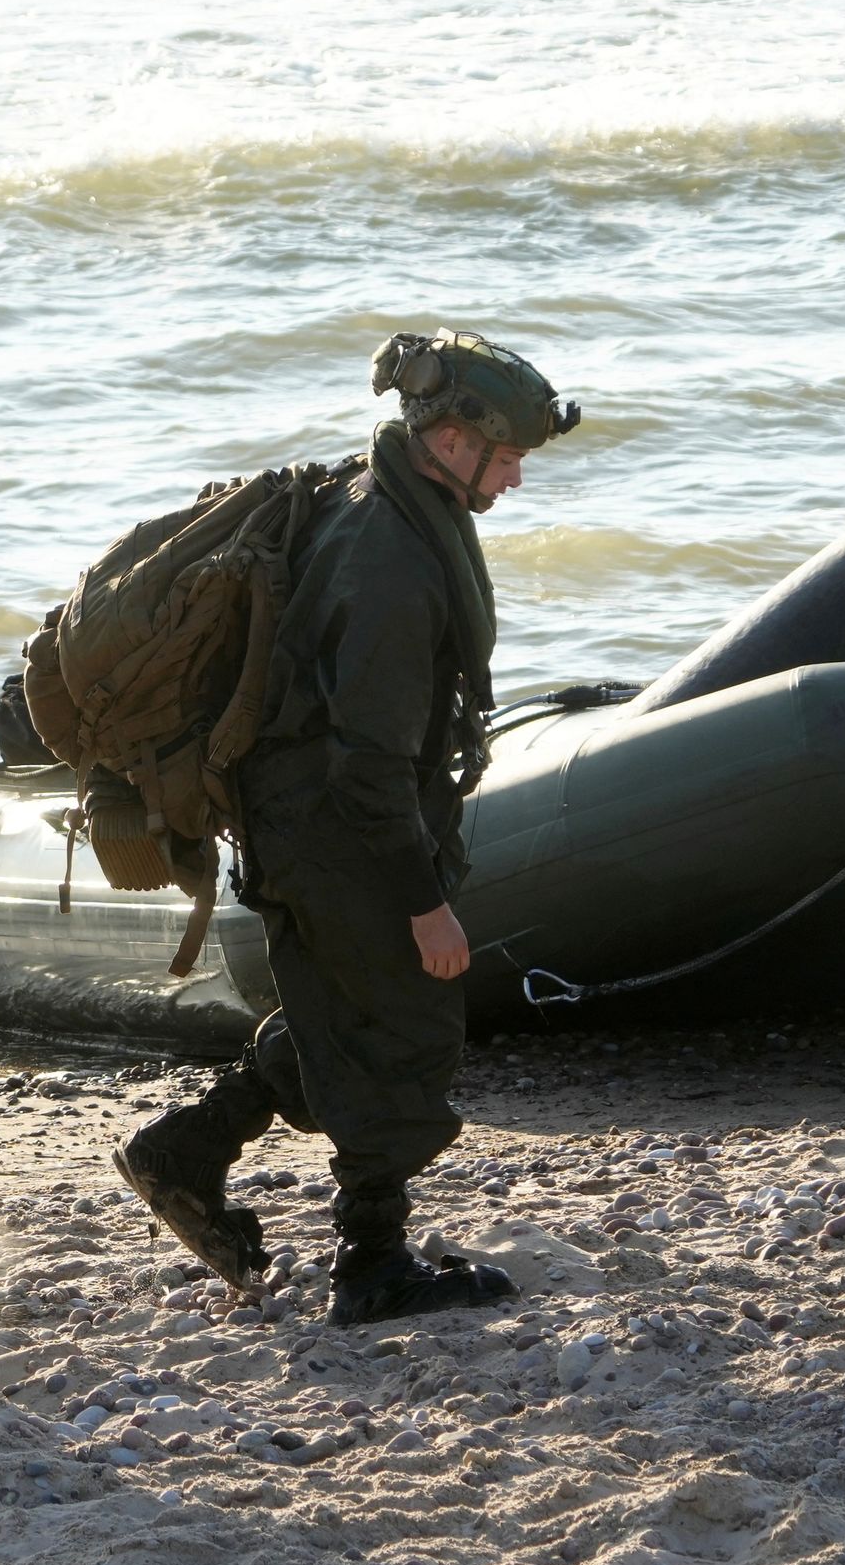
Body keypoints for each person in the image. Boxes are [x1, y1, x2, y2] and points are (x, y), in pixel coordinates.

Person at [115, 331, 570, 1327]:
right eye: (509, 455)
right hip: (332, 828)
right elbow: (369, 763)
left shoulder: (373, 496)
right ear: (451, 439)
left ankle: (186, 1151)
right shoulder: (393, 563)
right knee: (409, 1026)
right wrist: (423, 905)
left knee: (343, 1017)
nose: (520, 476)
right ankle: (372, 1263)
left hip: (300, 817)